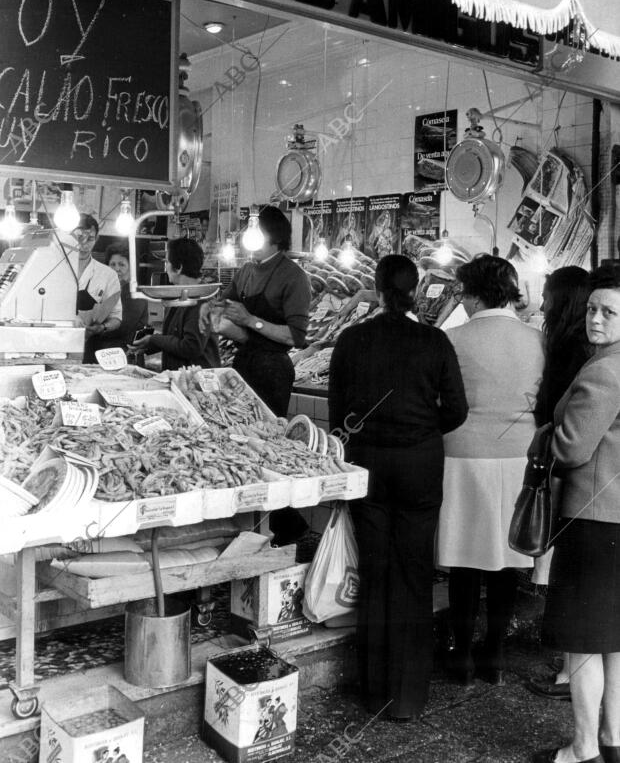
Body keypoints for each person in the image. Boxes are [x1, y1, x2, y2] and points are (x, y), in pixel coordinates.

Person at [329, 255, 468, 721]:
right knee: (412, 574)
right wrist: (423, 428)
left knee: (377, 570)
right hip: (420, 466)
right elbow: (458, 410)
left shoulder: (352, 339)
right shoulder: (434, 340)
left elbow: (338, 414)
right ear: (416, 289)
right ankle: (407, 698)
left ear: (378, 286)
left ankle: (374, 692)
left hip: (368, 465)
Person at [436, 254, 544, 687]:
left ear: (474, 294)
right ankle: (494, 654)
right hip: (518, 459)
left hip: (461, 458)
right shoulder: (537, 339)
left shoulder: (452, 337)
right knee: (508, 561)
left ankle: (461, 656)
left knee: (465, 561)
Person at [534, 264, 620, 763]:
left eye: (609, 312)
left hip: (592, 520)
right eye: (592, 309)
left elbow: (571, 449)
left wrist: (545, 436)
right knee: (614, 640)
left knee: (584, 641)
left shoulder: (606, 370)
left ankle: (582, 749)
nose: (595, 320)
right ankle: (612, 739)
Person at [526, 266, 591, 701]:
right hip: (577, 477)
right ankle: (572, 667)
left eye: (548, 295)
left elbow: (564, 420)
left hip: (573, 476)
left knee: (572, 576)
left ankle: (572, 673)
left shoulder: (573, 351)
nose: (542, 302)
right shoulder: (580, 346)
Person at [200, 206, 311, 418]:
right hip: (243, 362)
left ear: (276, 237)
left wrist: (251, 321)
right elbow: (223, 303)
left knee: (266, 432)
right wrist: (208, 306)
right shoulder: (247, 270)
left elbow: (296, 336)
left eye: (259, 235)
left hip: (274, 371)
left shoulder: (294, 276)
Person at [128, 237, 220, 371]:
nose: (166, 267)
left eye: (167, 262)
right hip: (177, 377)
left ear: (178, 267)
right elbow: (174, 339)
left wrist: (153, 339)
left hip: (198, 382)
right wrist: (147, 345)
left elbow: (191, 347)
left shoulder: (200, 301)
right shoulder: (178, 296)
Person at [73, 214, 122, 364]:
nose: (84, 245)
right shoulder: (52, 269)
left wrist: (101, 327)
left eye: (90, 239)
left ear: (97, 238)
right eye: (79, 238)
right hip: (52, 345)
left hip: (88, 349)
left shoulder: (107, 275)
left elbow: (116, 318)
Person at [87, 243, 149, 355]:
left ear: (132, 268)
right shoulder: (106, 290)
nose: (116, 269)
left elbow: (121, 328)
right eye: (112, 264)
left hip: (120, 356)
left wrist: (96, 329)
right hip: (99, 353)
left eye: (122, 265)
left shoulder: (134, 294)